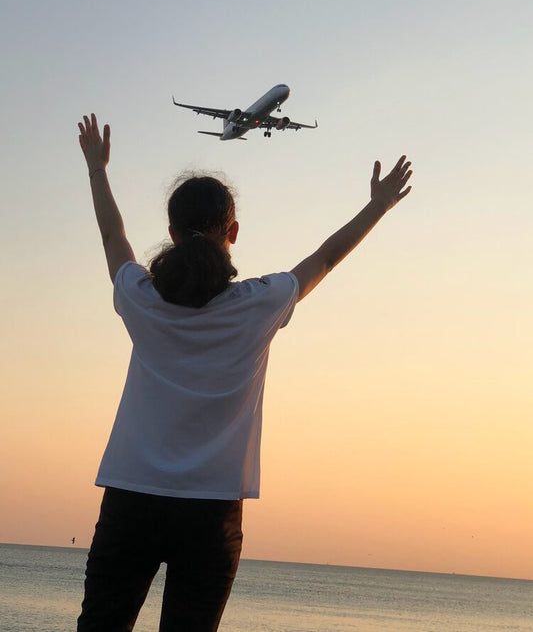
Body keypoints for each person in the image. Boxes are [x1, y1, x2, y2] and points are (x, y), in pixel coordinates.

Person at [76, 113, 412, 632]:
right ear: (232, 231)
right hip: (210, 514)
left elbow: (111, 235)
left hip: (131, 498)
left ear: (170, 233)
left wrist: (98, 170)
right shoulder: (258, 304)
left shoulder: (142, 300)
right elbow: (326, 256)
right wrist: (378, 206)